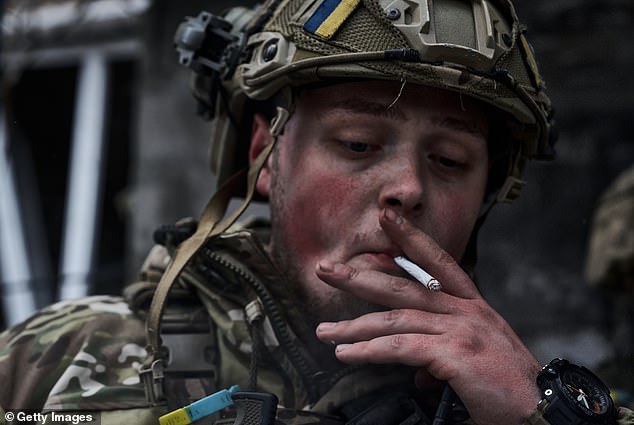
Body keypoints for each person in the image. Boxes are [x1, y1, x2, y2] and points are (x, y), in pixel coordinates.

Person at [0, 0, 632, 424]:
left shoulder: (508, 399)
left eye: (449, 160)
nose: (408, 188)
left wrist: (537, 413)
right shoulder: (56, 361)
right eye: (358, 144)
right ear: (264, 159)